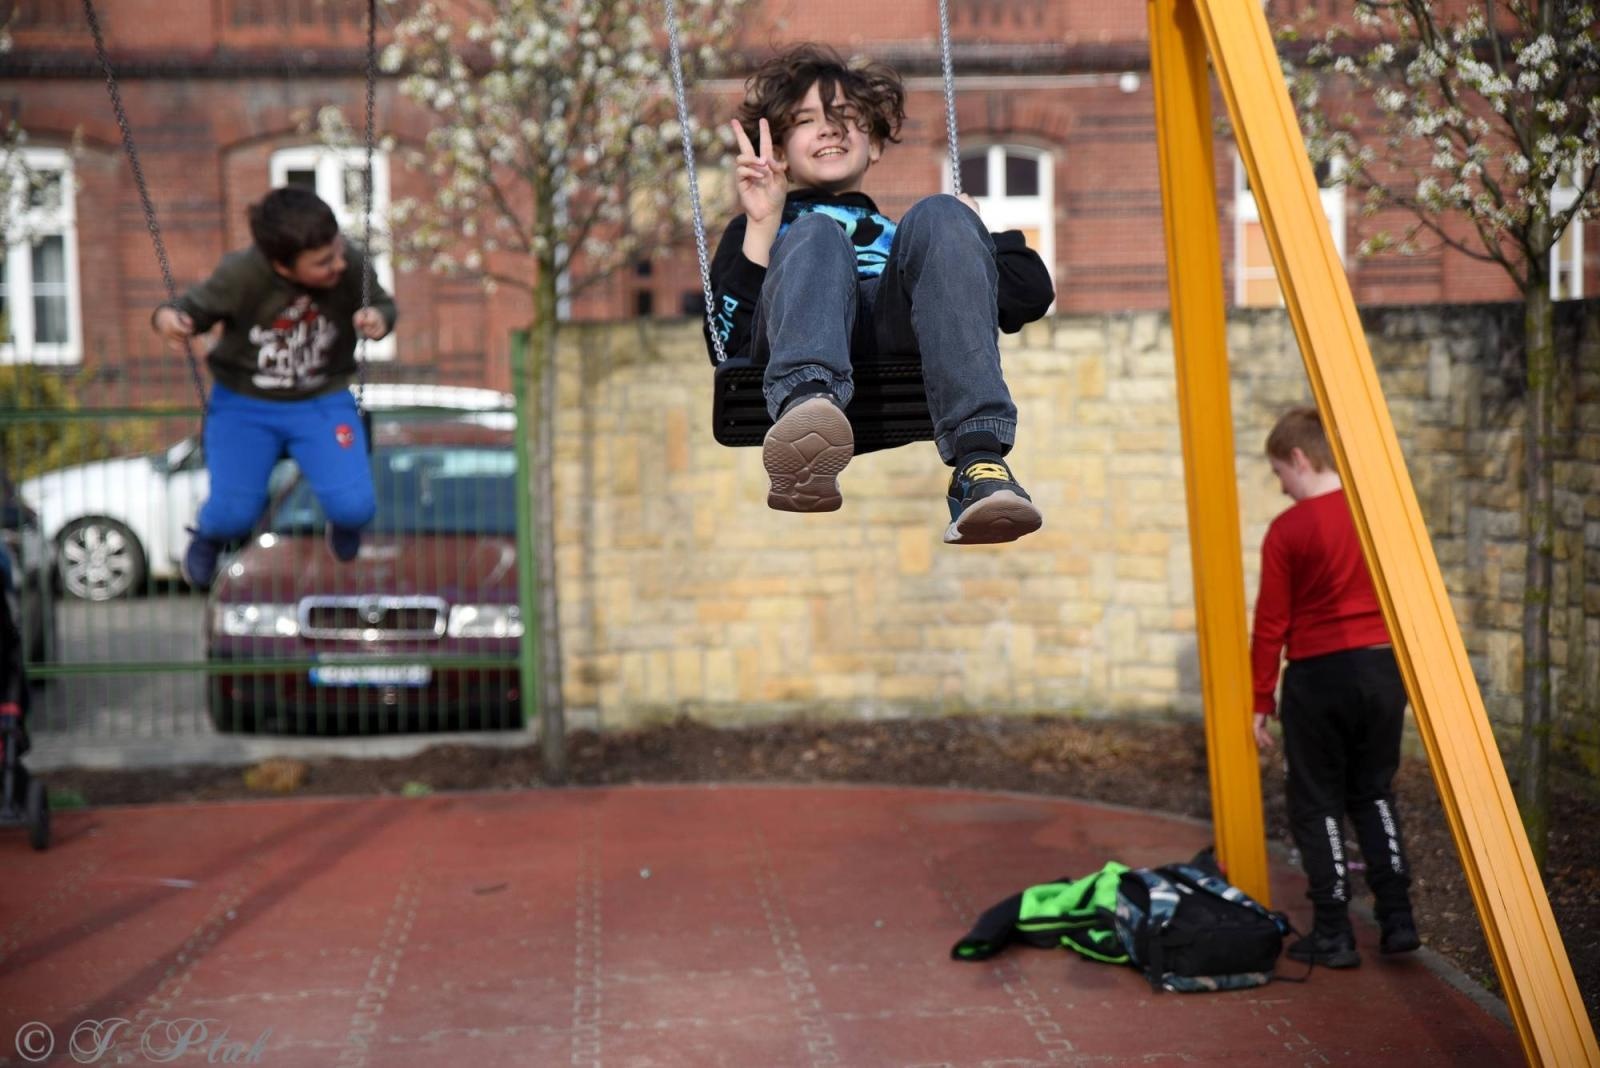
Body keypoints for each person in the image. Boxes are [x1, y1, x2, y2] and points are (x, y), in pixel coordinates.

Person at [705, 43, 1055, 544]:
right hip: (802, 336)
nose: (829, 127)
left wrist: (972, 229)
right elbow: (728, 344)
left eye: (846, 116)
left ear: (873, 144)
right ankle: (809, 414)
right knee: (818, 234)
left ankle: (980, 463)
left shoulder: (905, 239)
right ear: (778, 151)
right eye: (806, 120)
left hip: (895, 333)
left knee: (939, 212)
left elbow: (1031, 293)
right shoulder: (768, 231)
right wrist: (762, 227)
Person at [152, 186, 395, 589]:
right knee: (234, 514)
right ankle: (209, 535)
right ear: (282, 266)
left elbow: (384, 305)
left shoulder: (349, 264)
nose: (339, 263)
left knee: (355, 507)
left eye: (338, 249)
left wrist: (379, 320)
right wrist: (168, 319)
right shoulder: (242, 274)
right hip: (245, 404)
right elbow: (187, 310)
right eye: (323, 262)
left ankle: (344, 523)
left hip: (321, 398)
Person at [1250, 406, 1420, 967]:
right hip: (1381, 670)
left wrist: (1259, 699)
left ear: (1300, 457)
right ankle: (1398, 921)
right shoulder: (1381, 514)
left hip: (1318, 677)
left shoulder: (1288, 529)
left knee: (1315, 802)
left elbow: (1271, 624)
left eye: (1280, 474)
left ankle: (1333, 932)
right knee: (1373, 791)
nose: (1281, 488)